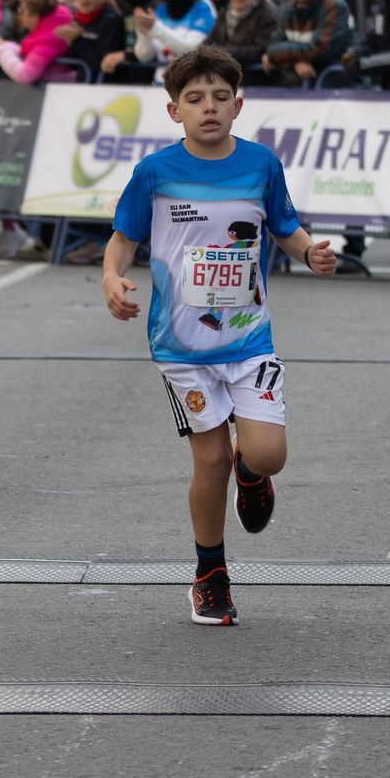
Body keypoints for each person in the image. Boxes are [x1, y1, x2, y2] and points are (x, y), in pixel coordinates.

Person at [101, 46, 338, 626]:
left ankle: (251, 472)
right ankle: (210, 573)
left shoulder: (260, 165)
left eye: (220, 97)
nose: (209, 107)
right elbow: (123, 237)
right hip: (181, 348)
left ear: (239, 104)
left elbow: (284, 226)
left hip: (248, 340)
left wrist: (311, 252)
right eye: (195, 99)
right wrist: (112, 278)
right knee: (207, 462)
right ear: (174, 110)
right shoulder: (154, 173)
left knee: (268, 453)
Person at [263, 0, 356, 85]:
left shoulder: (334, 6)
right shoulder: (288, 9)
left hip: (340, 86)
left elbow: (319, 50)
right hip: (309, 86)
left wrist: (276, 55)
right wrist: (296, 62)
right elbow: (272, 46)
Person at [132, 0, 217, 73]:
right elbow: (144, 57)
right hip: (162, 83)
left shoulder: (203, 8)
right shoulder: (161, 10)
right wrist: (143, 33)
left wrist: (155, 28)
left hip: (193, 83)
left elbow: (191, 50)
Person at [0, 0, 78, 84]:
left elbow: (24, 75)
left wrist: (1, 50)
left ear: (34, 15)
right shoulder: (47, 33)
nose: (20, 13)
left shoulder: (47, 41)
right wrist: (7, 46)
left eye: (22, 9)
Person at [208, 0, 281, 79]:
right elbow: (208, 42)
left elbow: (260, 49)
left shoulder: (269, 15)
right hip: (226, 75)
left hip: (258, 79)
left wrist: (219, 52)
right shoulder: (225, 12)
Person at [64, 0, 125, 80]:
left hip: (105, 86)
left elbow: (100, 63)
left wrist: (77, 40)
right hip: (84, 83)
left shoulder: (110, 20)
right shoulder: (76, 20)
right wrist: (68, 42)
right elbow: (72, 63)